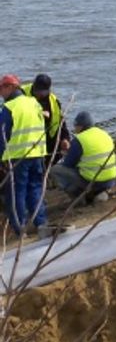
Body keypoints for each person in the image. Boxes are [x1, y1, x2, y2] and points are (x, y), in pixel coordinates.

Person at [0, 74, 49, 239]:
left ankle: (20, 228)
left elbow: (2, 135)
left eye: (2, 88)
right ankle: (41, 223)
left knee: (16, 193)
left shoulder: (10, 107)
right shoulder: (33, 102)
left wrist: (1, 157)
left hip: (18, 157)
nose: (0, 93)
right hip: (37, 153)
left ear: (10, 87)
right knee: (35, 188)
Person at [49, 111, 116, 204]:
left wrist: (67, 153)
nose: (74, 128)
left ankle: (79, 198)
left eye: (75, 126)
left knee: (55, 170)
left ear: (81, 126)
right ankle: (100, 193)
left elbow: (68, 164)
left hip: (93, 181)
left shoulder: (80, 139)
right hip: (110, 179)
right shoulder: (104, 133)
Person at [23, 74, 71, 164]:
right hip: (26, 140)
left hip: (47, 141)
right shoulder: (22, 93)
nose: (39, 94)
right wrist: (39, 113)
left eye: (43, 92)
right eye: (37, 91)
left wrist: (65, 138)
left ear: (48, 90)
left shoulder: (54, 101)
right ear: (33, 87)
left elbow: (60, 123)